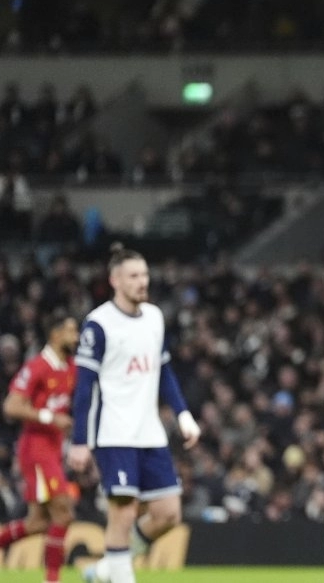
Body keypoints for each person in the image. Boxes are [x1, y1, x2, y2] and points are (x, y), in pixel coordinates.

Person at [70, 245, 202, 583]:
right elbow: (84, 387)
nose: (142, 282)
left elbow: (164, 371)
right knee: (124, 513)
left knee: (168, 513)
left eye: (144, 274)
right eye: (134, 276)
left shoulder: (155, 318)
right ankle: (121, 576)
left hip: (150, 432)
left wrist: (183, 414)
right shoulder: (98, 325)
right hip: (113, 432)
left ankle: (105, 569)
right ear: (115, 280)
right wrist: (79, 441)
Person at [0, 312, 79, 583]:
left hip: (54, 449)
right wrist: (50, 417)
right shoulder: (37, 366)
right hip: (36, 450)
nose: (76, 337)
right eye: (70, 331)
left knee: (38, 523)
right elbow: (11, 406)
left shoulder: (70, 367)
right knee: (64, 512)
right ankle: (52, 579)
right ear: (55, 335)